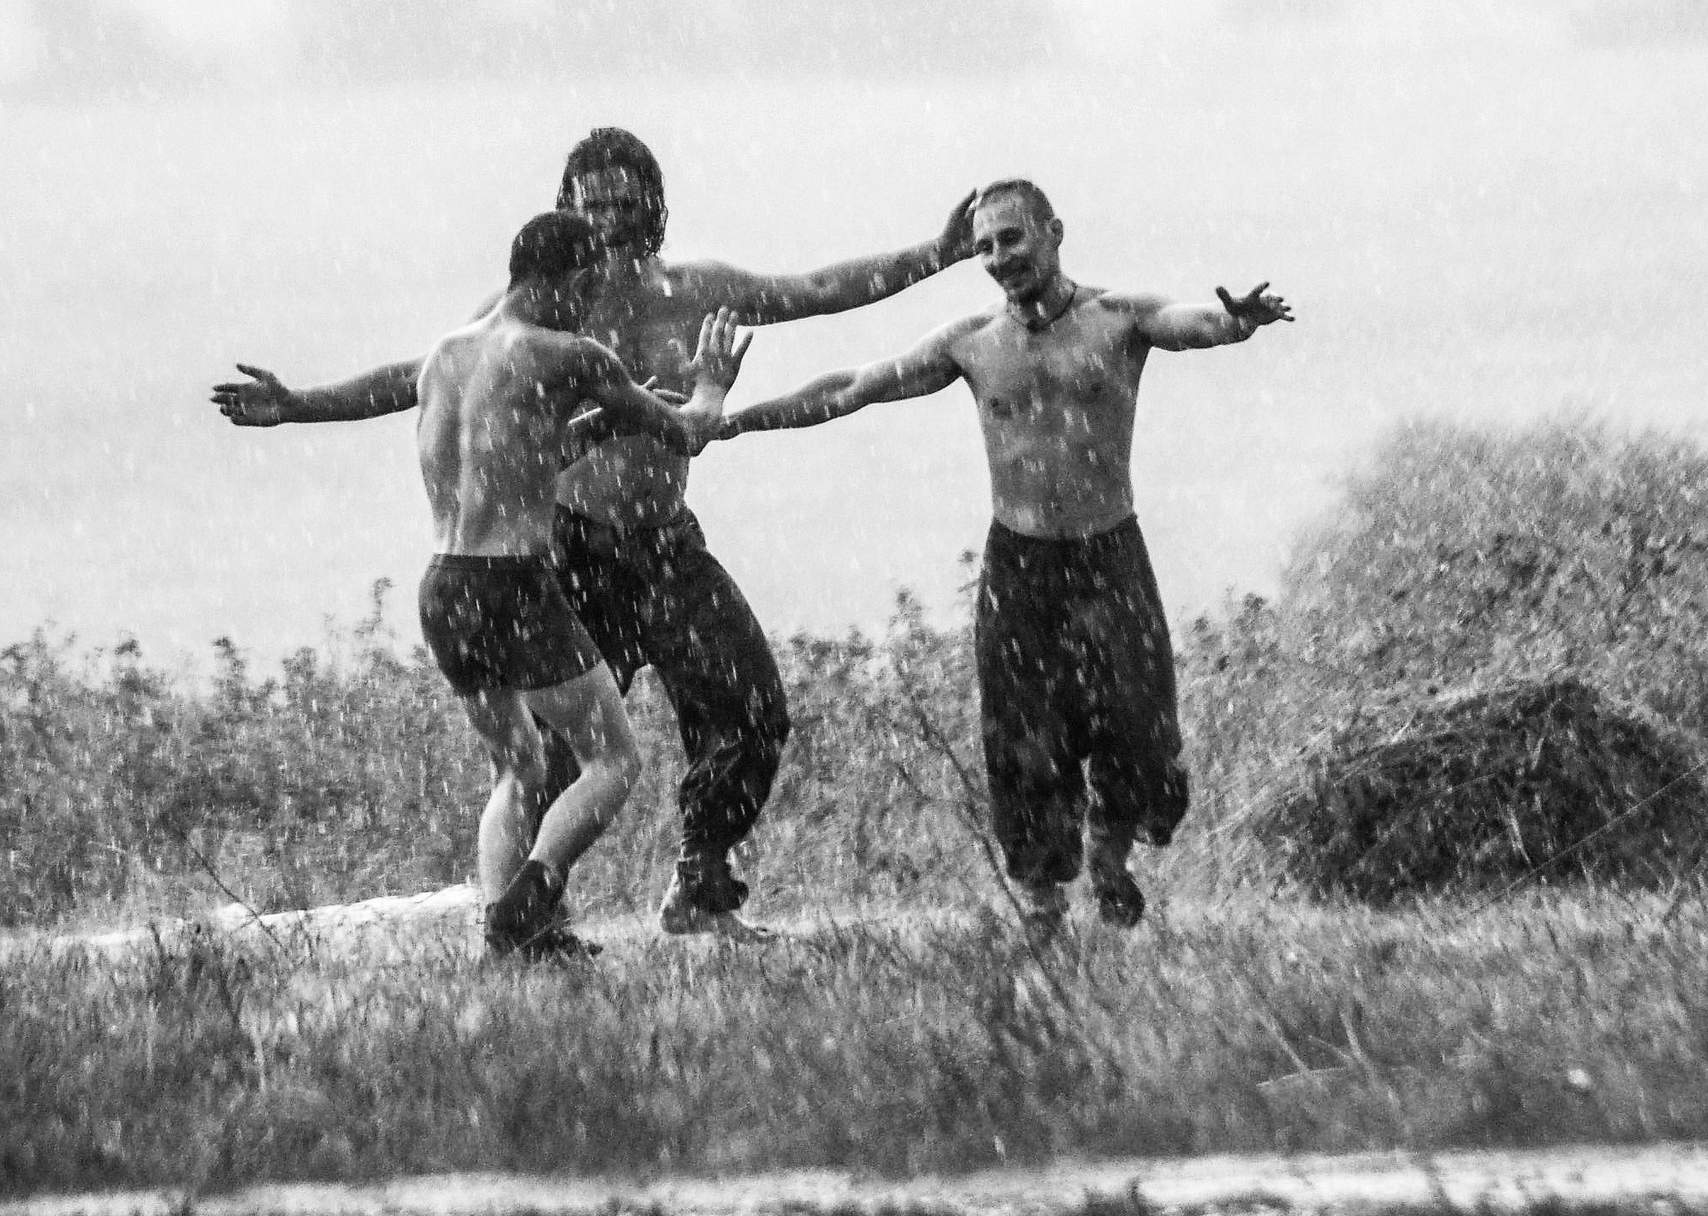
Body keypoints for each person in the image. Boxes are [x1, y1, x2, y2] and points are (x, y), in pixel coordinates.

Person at [213, 128, 981, 937]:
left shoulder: (697, 291)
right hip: (573, 552)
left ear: (652, 208)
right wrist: (300, 403)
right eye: (593, 204)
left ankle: (699, 879)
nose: (610, 219)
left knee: (752, 710)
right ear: (567, 212)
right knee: (551, 755)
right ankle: (529, 923)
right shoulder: (534, 318)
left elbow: (823, 287)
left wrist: (938, 253)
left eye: (625, 202)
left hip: (667, 545)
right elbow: (421, 375)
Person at [713, 178, 1292, 929]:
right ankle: (1043, 901)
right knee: (1024, 739)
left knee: (1141, 728)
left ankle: (1110, 854)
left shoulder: (1118, 318)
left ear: (1053, 231)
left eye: (1011, 238)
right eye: (984, 246)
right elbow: (856, 386)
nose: (997, 258)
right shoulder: (974, 342)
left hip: (1108, 550)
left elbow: (1189, 320)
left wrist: (1233, 322)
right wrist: (734, 424)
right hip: (1019, 561)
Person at [408, 209, 745, 959]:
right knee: (614, 761)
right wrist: (712, 388)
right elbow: (689, 430)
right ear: (577, 278)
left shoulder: (443, 356)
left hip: (443, 587)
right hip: (513, 585)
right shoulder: (570, 354)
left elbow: (519, 456)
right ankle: (530, 896)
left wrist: (591, 427)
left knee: (518, 765)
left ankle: (508, 940)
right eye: (587, 288)